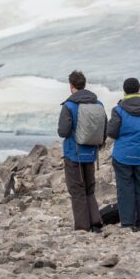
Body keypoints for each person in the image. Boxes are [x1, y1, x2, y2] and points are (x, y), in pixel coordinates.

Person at [107, 77, 140, 231]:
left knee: (125, 189)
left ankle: (127, 223)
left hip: (122, 154)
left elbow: (112, 132)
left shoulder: (118, 109)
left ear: (125, 91)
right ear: (139, 89)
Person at [57, 70, 106, 232]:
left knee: (77, 190)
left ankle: (82, 226)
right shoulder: (98, 104)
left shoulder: (69, 106)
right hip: (91, 153)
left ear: (71, 86)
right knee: (90, 189)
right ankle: (96, 222)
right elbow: (103, 129)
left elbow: (63, 131)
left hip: (73, 154)